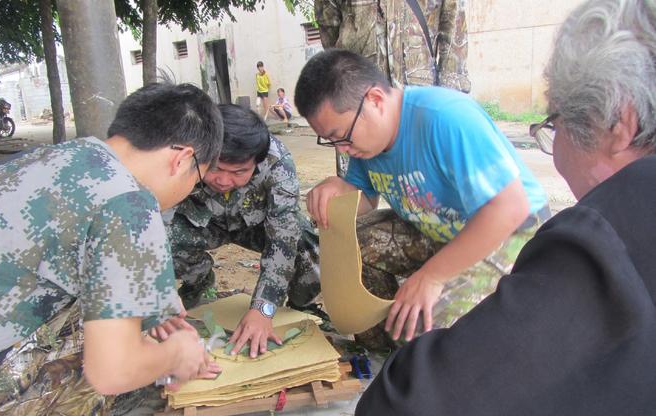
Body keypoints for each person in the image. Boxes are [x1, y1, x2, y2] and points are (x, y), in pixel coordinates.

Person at [355, 0, 656, 416]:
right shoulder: (372, 149)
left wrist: (432, 293)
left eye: (554, 123)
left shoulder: (619, 224)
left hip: (495, 243)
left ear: (619, 124)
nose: (554, 145)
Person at [0, 82, 223, 416]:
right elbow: (111, 371)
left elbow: (138, 289)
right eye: (196, 180)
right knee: (107, 344)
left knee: (114, 320)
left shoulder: (71, 157)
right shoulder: (129, 203)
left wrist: (163, 321)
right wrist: (175, 355)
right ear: (182, 159)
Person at [294, 49, 548, 350]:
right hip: (440, 229)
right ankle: (380, 358)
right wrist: (337, 190)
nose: (342, 149)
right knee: (357, 249)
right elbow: (366, 201)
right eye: (331, 141)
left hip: (511, 232)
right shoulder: (366, 142)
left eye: (342, 136)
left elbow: (510, 208)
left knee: (424, 335)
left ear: (375, 100)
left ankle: (420, 363)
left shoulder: (445, 118)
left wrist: (431, 277)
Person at [169, 103, 320, 359]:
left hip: (256, 225)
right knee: (165, 244)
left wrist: (264, 309)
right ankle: (200, 284)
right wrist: (160, 294)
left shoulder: (277, 163)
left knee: (304, 243)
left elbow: (282, 240)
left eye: (239, 172)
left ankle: (299, 309)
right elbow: (154, 227)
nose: (225, 181)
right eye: (216, 169)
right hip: (203, 225)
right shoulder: (182, 156)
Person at [315, 0, 470, 91]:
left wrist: (450, 95)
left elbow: (453, 25)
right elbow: (328, 25)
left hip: (419, 95)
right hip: (358, 94)